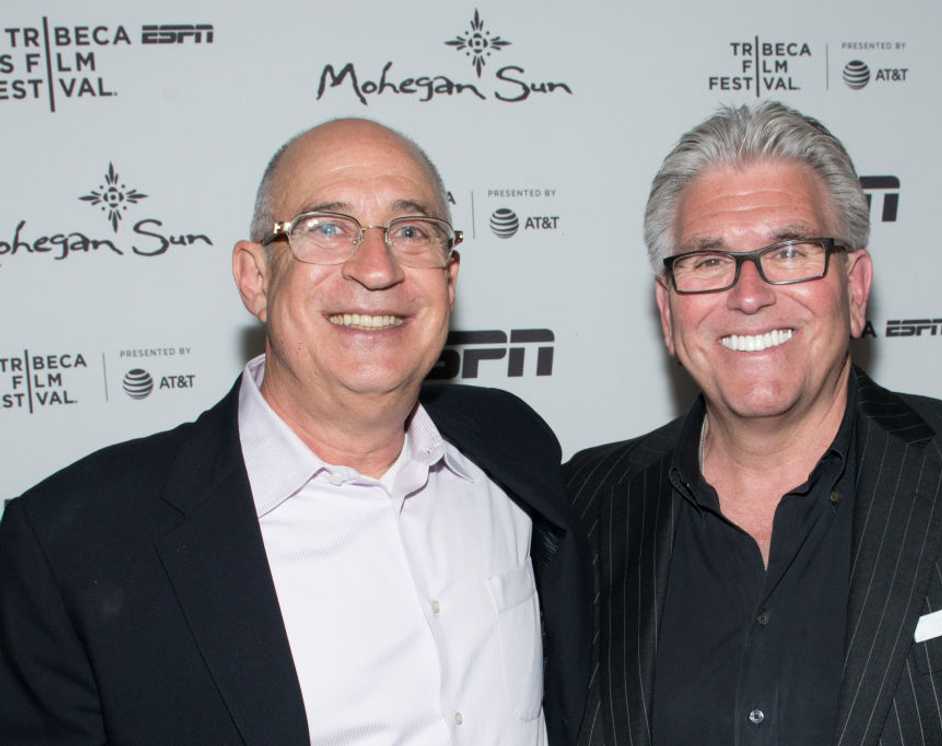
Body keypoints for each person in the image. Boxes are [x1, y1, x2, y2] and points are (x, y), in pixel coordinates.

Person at [0, 118, 590, 746]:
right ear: (255, 278)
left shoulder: (511, 446)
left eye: (412, 231)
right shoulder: (74, 543)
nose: (376, 267)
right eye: (327, 228)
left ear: (449, 278)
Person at [564, 101, 942, 746]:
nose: (749, 295)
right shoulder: (581, 505)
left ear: (855, 289)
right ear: (667, 310)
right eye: (708, 261)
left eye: (792, 251)